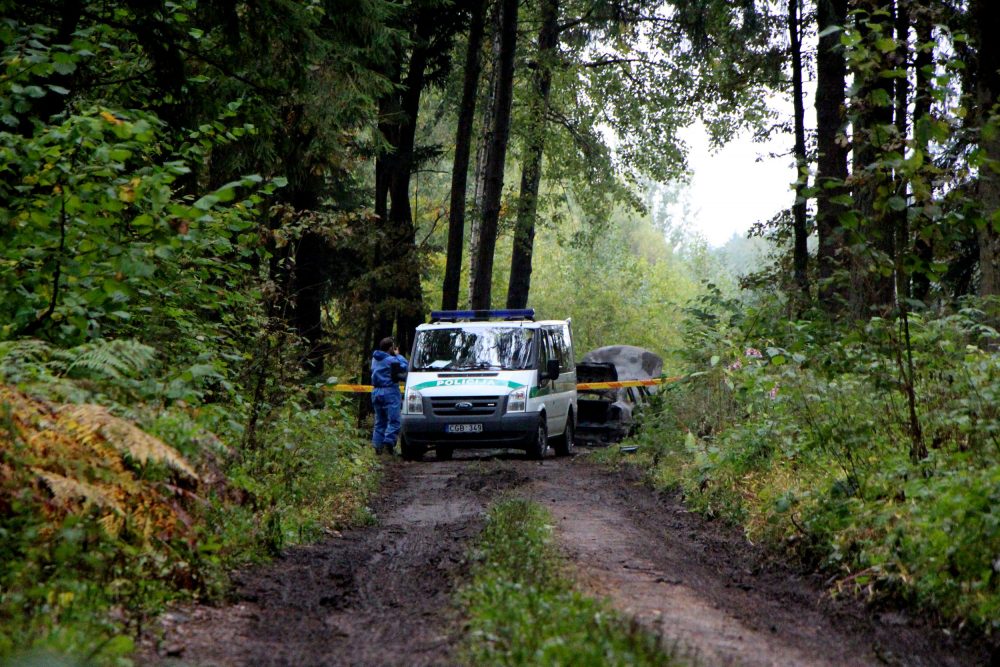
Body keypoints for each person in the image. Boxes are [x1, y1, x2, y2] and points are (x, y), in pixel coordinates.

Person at [370, 336, 408, 455]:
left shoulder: (375, 359)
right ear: (390, 348)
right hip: (389, 392)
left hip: (376, 392)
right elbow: (404, 366)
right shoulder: (392, 360)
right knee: (394, 421)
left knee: (380, 421)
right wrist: (398, 355)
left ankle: (377, 447)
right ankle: (388, 445)